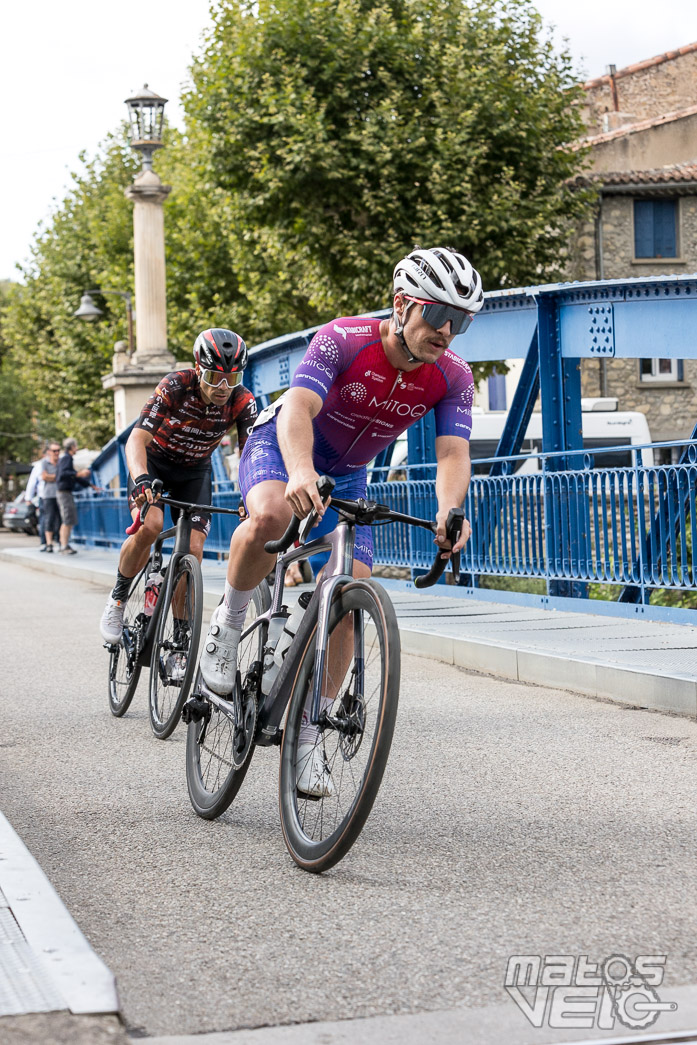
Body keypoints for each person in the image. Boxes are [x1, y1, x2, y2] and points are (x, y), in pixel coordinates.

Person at [199, 246, 482, 795]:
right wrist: (301, 471)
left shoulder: (453, 376)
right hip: (283, 447)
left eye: (463, 319)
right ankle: (228, 625)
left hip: (350, 474)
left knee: (352, 591)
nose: (449, 329)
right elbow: (299, 410)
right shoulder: (343, 338)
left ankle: (306, 738)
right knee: (273, 513)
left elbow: (452, 453)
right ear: (402, 305)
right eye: (440, 314)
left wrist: (450, 510)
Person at [99, 328, 257, 652]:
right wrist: (141, 478)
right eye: (214, 377)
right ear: (199, 368)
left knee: (194, 549)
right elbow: (136, 439)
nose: (223, 387)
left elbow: (251, 456)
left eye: (232, 377)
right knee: (151, 525)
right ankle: (117, 599)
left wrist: (250, 495)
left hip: (194, 472)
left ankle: (181, 636)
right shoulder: (175, 385)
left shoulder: (242, 401)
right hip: (154, 463)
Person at [55, 439, 100, 554]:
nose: (77, 448)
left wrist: (90, 485)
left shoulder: (67, 459)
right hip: (64, 492)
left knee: (68, 519)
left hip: (66, 492)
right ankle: (64, 546)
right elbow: (62, 474)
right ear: (72, 447)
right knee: (67, 519)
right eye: (76, 446)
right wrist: (78, 473)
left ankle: (64, 544)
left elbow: (74, 477)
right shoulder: (66, 458)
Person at [39, 442, 62, 552]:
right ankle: (48, 543)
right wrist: (57, 476)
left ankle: (60, 542)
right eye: (54, 451)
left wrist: (52, 476)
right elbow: (44, 476)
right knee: (49, 519)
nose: (56, 453)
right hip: (48, 495)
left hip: (60, 494)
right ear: (49, 452)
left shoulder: (61, 462)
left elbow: (63, 477)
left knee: (61, 520)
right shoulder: (45, 462)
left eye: (58, 450)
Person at [25, 446, 47, 549]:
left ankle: (54, 540)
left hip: (55, 496)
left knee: (55, 520)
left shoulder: (56, 463)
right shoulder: (39, 466)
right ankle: (44, 541)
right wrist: (28, 499)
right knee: (43, 520)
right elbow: (32, 483)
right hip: (43, 497)